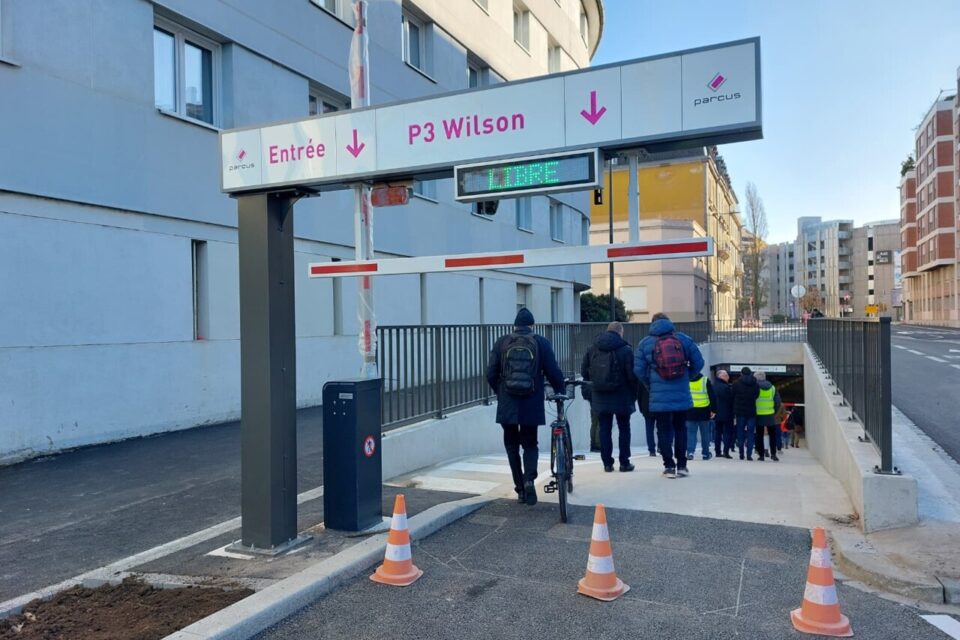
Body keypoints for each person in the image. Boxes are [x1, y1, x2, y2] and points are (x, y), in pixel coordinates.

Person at [486, 308, 565, 506]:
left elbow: (490, 373)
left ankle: (520, 488)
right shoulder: (540, 342)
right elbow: (553, 371)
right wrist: (560, 389)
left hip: (508, 401)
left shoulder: (502, 342)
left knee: (512, 446)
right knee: (530, 443)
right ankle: (530, 480)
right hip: (531, 400)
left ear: (515, 325)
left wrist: (501, 391)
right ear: (532, 325)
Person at [635, 312, 705, 479]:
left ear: (652, 324)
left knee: (664, 430)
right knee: (681, 428)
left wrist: (649, 383)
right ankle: (682, 465)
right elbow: (699, 362)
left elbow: (638, 369)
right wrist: (687, 376)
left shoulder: (645, 343)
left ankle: (669, 467)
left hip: (659, 396)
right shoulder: (683, 339)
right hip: (681, 392)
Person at [582, 321, 638, 472]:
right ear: (620, 333)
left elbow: (584, 371)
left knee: (604, 429)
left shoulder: (593, 348)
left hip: (600, 395)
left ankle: (607, 463)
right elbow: (632, 375)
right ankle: (624, 462)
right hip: (622, 395)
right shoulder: (625, 350)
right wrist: (634, 393)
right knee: (624, 428)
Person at [731, 366, 760, 460]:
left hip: (740, 412)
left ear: (741, 373)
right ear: (751, 373)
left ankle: (741, 454)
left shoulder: (736, 383)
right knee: (750, 433)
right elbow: (757, 395)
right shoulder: (755, 384)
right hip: (751, 411)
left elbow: (732, 395)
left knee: (740, 432)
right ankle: (749, 455)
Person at [754, 371, 782, 462]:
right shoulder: (773, 388)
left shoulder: (755, 387)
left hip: (758, 414)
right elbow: (778, 402)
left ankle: (761, 455)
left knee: (759, 435)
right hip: (770, 414)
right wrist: (773, 411)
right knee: (772, 435)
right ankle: (773, 454)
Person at [685, 373, 715, 460]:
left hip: (690, 410)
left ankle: (690, 452)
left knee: (691, 433)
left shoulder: (686, 380)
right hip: (704, 411)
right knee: (705, 434)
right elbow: (712, 396)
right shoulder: (705, 380)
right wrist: (713, 410)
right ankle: (705, 454)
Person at [712, 369, 736, 458]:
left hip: (716, 413)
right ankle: (726, 451)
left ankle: (717, 451)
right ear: (720, 376)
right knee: (727, 433)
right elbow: (731, 400)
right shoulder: (727, 387)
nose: (728, 377)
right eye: (726, 375)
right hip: (727, 413)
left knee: (717, 432)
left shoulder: (713, 386)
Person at [636, 379, 658, 457]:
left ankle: (651, 450)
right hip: (659, 407)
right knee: (661, 429)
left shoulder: (643, 378)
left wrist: (641, 408)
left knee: (649, 430)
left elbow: (639, 395)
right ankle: (661, 446)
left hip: (647, 407)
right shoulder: (659, 376)